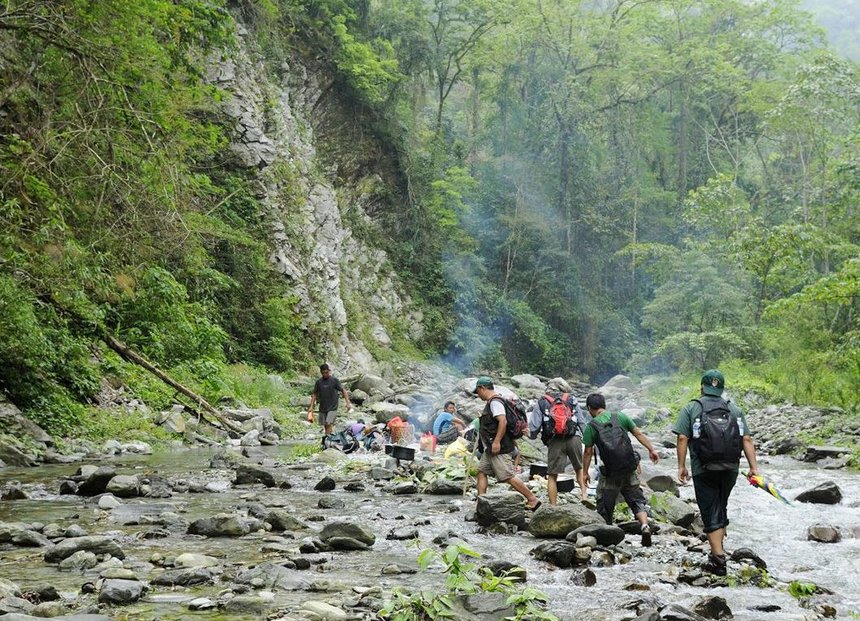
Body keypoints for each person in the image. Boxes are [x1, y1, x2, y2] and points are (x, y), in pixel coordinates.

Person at [673, 369, 759, 576]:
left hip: (704, 468)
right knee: (721, 504)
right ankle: (719, 548)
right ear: (721, 388)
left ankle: (718, 560)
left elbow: (682, 438)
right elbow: (746, 439)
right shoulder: (734, 409)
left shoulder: (692, 407)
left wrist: (681, 466)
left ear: (702, 386)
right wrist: (754, 468)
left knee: (710, 509)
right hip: (730, 468)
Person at [582, 392, 659, 546]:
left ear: (590, 408)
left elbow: (588, 452)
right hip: (629, 468)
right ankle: (644, 525)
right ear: (604, 405)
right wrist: (652, 449)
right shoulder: (620, 417)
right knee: (637, 500)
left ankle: (608, 534)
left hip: (610, 473)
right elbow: (638, 434)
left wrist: (584, 472)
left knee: (605, 504)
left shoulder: (591, 426)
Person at [473, 376, 541, 511]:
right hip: (490, 448)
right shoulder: (494, 401)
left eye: (478, 391)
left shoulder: (495, 402)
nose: (478, 395)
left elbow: (502, 421)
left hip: (499, 446)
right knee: (481, 472)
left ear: (483, 388)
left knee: (507, 476)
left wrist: (497, 441)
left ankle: (532, 499)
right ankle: (481, 502)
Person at [529, 391, 590, 504]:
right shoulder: (571, 399)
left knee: (552, 475)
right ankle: (584, 495)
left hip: (554, 440)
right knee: (578, 468)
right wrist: (587, 441)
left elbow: (535, 426)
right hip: (574, 437)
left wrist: (532, 436)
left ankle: (553, 506)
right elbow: (581, 421)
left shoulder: (542, 402)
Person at [307, 363, 352, 436]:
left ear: (329, 371)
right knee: (325, 425)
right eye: (323, 373)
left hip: (333, 407)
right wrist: (311, 407)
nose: (325, 374)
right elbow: (314, 394)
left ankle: (328, 440)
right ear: (321, 372)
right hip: (323, 407)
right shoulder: (319, 382)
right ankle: (329, 439)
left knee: (328, 423)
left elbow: (343, 390)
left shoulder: (334, 380)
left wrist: (348, 403)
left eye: (326, 372)